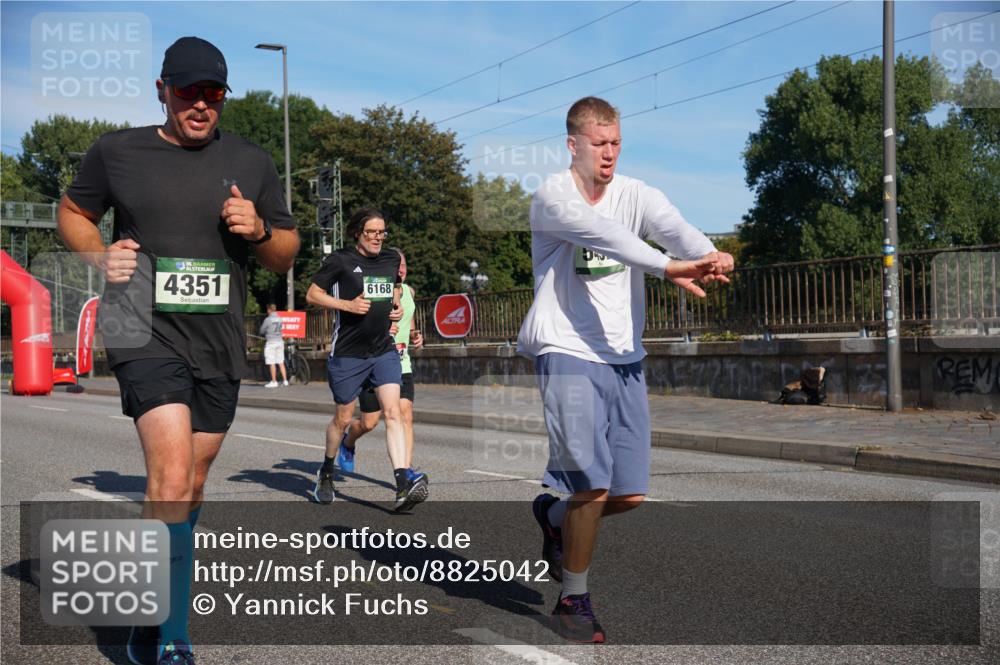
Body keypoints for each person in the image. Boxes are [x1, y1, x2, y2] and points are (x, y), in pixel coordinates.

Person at [57, 36, 299, 665]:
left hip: (218, 341)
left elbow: (288, 252)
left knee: (191, 482)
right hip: (142, 329)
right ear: (161, 90)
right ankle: (171, 637)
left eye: (212, 94)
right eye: (188, 91)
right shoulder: (117, 152)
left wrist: (262, 230)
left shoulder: (253, 161)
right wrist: (98, 254)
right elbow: (73, 212)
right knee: (167, 473)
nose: (199, 104)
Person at [516, 96, 734, 644]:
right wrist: (667, 266)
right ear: (573, 144)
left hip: (624, 355)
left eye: (615, 142)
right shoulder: (552, 198)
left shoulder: (638, 193)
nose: (609, 153)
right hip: (566, 351)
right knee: (591, 484)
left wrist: (708, 256)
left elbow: (674, 227)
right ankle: (573, 599)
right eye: (598, 143)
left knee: (630, 493)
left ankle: (555, 518)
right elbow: (608, 237)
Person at [305, 209, 428, 511]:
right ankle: (327, 470)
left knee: (394, 413)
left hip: (383, 350)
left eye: (382, 232)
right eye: (371, 232)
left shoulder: (388, 260)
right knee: (343, 418)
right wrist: (346, 304)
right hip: (348, 354)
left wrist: (396, 308)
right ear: (357, 232)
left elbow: (394, 290)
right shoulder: (340, 260)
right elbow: (312, 294)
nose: (377, 238)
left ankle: (402, 483)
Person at [335, 247, 424, 478]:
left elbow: (409, 318)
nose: (401, 269)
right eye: (398, 266)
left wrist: (415, 334)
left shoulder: (408, 291)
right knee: (369, 422)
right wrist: (386, 327)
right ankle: (348, 442)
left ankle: (406, 472)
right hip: (374, 360)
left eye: (404, 265)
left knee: (404, 414)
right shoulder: (377, 289)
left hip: (401, 363)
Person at [259, 303, 288, 387]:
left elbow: (262, 330)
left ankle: (274, 381)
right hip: (279, 341)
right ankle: (285, 380)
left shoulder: (268, 320)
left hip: (271, 342)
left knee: (272, 362)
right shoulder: (280, 319)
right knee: (281, 361)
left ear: (269, 310)